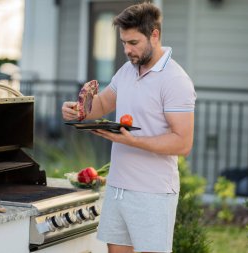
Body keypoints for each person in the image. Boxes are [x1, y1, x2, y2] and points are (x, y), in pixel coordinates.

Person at [62, 2, 196, 253]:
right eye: (123, 42)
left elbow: (183, 143)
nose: (126, 49)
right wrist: (77, 110)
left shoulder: (176, 80)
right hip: (118, 188)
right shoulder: (127, 70)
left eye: (133, 43)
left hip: (153, 193)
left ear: (154, 35)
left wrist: (132, 141)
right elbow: (100, 105)